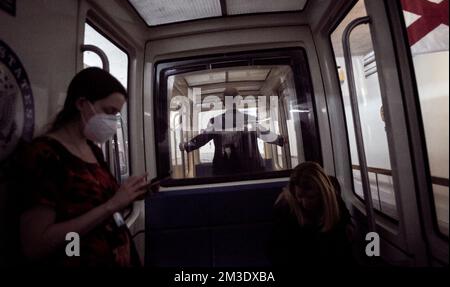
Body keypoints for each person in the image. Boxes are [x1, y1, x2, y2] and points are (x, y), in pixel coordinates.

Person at [9, 67, 157, 267]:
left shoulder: (92, 149)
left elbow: (101, 200)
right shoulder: (43, 155)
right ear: (82, 104)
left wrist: (130, 194)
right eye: (109, 111)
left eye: (116, 114)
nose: (113, 121)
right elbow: (36, 245)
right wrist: (111, 205)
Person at [179, 87, 285, 175]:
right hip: (252, 171)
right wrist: (281, 140)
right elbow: (266, 135)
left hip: (224, 171)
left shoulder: (215, 121)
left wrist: (186, 145)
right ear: (238, 101)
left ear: (223, 102)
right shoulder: (250, 119)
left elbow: (202, 138)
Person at [268, 161, 354, 267]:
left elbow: (343, 240)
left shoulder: (334, 202)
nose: (305, 203)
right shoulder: (285, 208)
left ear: (323, 193)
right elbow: (279, 251)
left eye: (311, 197)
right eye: (299, 196)